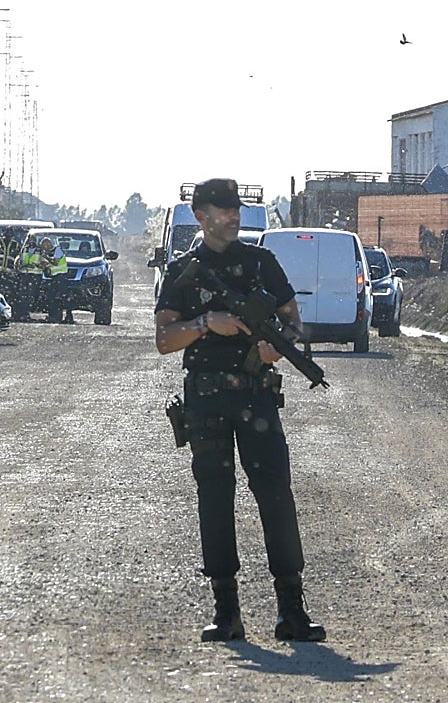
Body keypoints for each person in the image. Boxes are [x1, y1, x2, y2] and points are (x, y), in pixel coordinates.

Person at [155, 178, 325, 644]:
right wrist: (208, 322)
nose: (233, 217)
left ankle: (292, 610)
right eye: (223, 210)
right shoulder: (185, 271)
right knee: (214, 499)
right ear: (200, 216)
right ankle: (226, 611)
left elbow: (293, 322)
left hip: (257, 395)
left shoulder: (261, 263)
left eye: (236, 210)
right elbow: (164, 340)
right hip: (207, 401)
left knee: (275, 495)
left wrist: (278, 345)